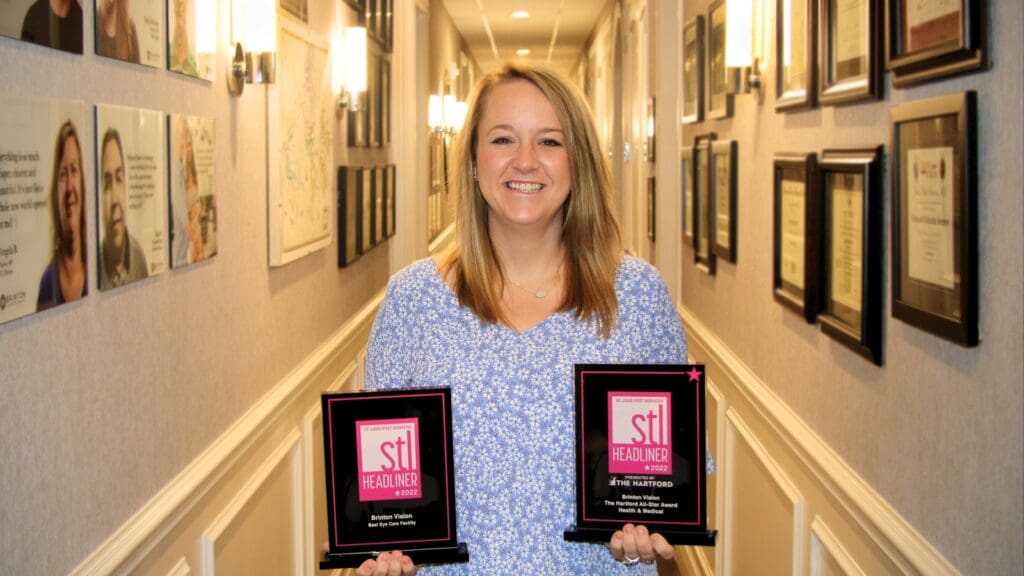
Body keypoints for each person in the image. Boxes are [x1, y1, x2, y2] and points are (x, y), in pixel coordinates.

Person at [358, 63, 686, 575]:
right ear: (472, 160)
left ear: (578, 161)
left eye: (551, 142)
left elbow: (671, 469)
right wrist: (384, 551)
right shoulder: (412, 301)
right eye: (503, 139)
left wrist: (652, 524)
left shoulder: (637, 296)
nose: (526, 161)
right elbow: (377, 484)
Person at [37, 119, 87, 311]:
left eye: (74, 170)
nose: (69, 188)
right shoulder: (47, 285)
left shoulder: (97, 270)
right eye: (63, 174)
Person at [99, 128, 148, 289]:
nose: (114, 199)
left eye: (119, 179)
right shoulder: (94, 270)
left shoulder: (139, 258)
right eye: (107, 184)